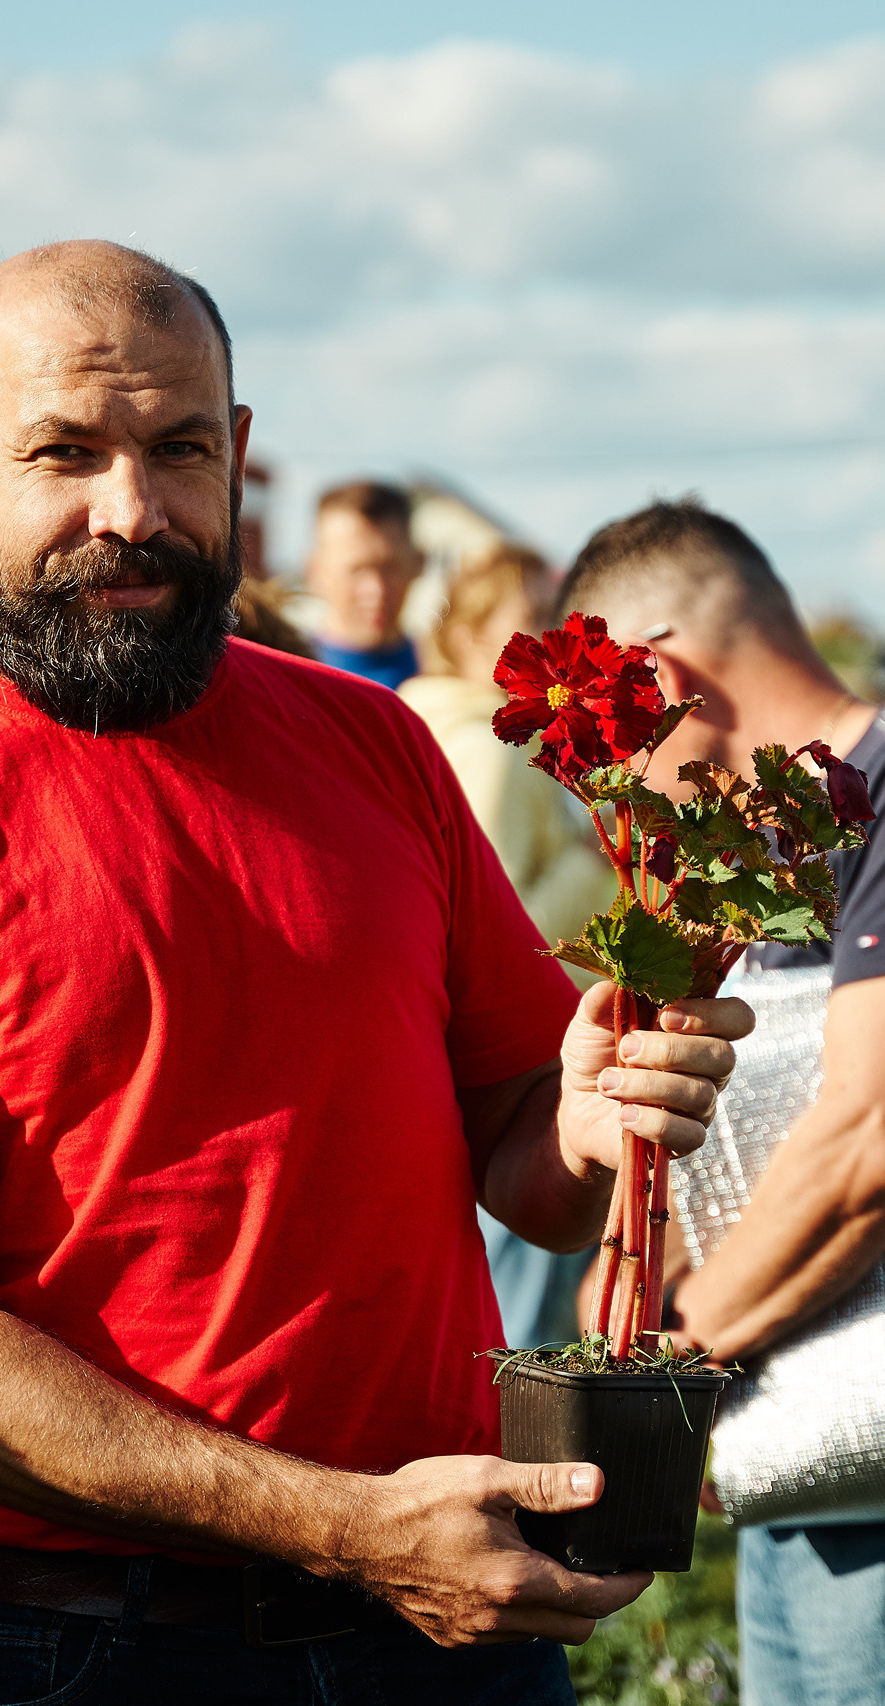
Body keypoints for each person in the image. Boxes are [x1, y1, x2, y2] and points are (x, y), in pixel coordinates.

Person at [0, 240, 750, 1703]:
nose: (131, 511)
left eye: (179, 449)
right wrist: (344, 1526)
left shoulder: (372, 745)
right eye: (65, 452)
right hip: (96, 1643)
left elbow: (531, 1164)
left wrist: (579, 1117)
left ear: (239, 455)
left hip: (451, 1617)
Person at [558, 498, 885, 1705]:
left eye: (607, 721)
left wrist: (669, 1368)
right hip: (806, 1419)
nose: (608, 765)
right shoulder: (762, 852)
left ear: (658, 674)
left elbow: (882, 1136)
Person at [399, 541, 614, 1349]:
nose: (547, 643)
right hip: (520, 1065)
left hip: (540, 1046)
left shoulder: (468, 733)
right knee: (522, 1320)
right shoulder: (488, 748)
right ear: (470, 634)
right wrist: (588, 862)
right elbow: (490, 919)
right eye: (527, 623)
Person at [301, 480, 423, 689]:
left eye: (390, 568)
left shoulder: (449, 679)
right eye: (356, 571)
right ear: (315, 570)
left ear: (419, 564)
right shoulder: (291, 680)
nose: (376, 590)